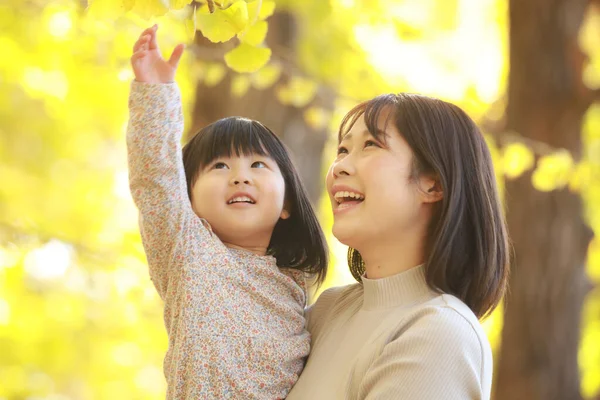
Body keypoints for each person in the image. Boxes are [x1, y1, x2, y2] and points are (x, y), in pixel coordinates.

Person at [126, 25, 328, 399]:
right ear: (186, 198)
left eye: (258, 166)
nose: (239, 177)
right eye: (219, 167)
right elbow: (154, 178)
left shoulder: (295, 288)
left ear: (286, 204)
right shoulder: (185, 250)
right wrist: (156, 94)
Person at [287, 93, 510, 399]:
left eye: (370, 145)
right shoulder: (328, 311)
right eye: (342, 149)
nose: (339, 167)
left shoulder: (439, 332)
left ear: (433, 183)